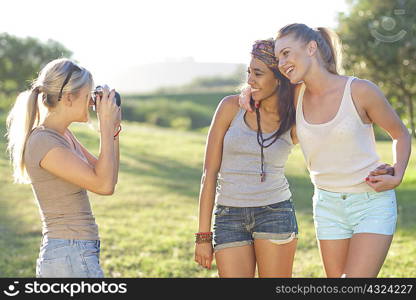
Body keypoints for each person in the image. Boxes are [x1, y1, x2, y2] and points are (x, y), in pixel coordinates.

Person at [240, 24, 411, 277]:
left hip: (370, 202)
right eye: (278, 58)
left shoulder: (360, 90)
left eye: (286, 53)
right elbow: (262, 84)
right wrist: (247, 90)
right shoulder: (294, 95)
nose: (282, 62)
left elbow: (400, 134)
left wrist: (397, 174)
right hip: (327, 205)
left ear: (312, 48)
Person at [6, 58, 121, 277]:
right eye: (88, 96)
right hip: (70, 254)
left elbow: (109, 177)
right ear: (68, 97)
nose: (92, 103)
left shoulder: (63, 135)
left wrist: (113, 130)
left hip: (75, 253)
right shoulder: (44, 141)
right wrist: (105, 127)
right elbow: (103, 185)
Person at [194, 40, 299, 278]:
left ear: (279, 77)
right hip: (229, 215)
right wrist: (203, 236)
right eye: (248, 72)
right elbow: (208, 174)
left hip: (275, 212)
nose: (250, 80)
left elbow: (315, 83)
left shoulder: (293, 117)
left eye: (258, 73)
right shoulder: (230, 107)